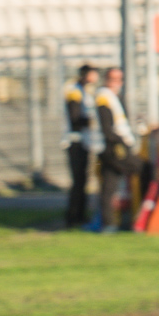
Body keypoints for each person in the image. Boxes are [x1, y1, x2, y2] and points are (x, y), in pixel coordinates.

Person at [95, 67, 142, 233]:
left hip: (112, 145)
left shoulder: (113, 97)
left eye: (119, 79)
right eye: (112, 78)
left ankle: (109, 223)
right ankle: (141, 216)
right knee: (143, 169)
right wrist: (121, 143)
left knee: (109, 184)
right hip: (114, 146)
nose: (116, 82)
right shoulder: (104, 97)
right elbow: (107, 126)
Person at [61, 64, 98, 228]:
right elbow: (75, 117)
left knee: (83, 180)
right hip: (75, 141)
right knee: (78, 181)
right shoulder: (75, 91)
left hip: (84, 141)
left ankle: (81, 215)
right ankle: (73, 217)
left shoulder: (85, 91)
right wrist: (95, 121)